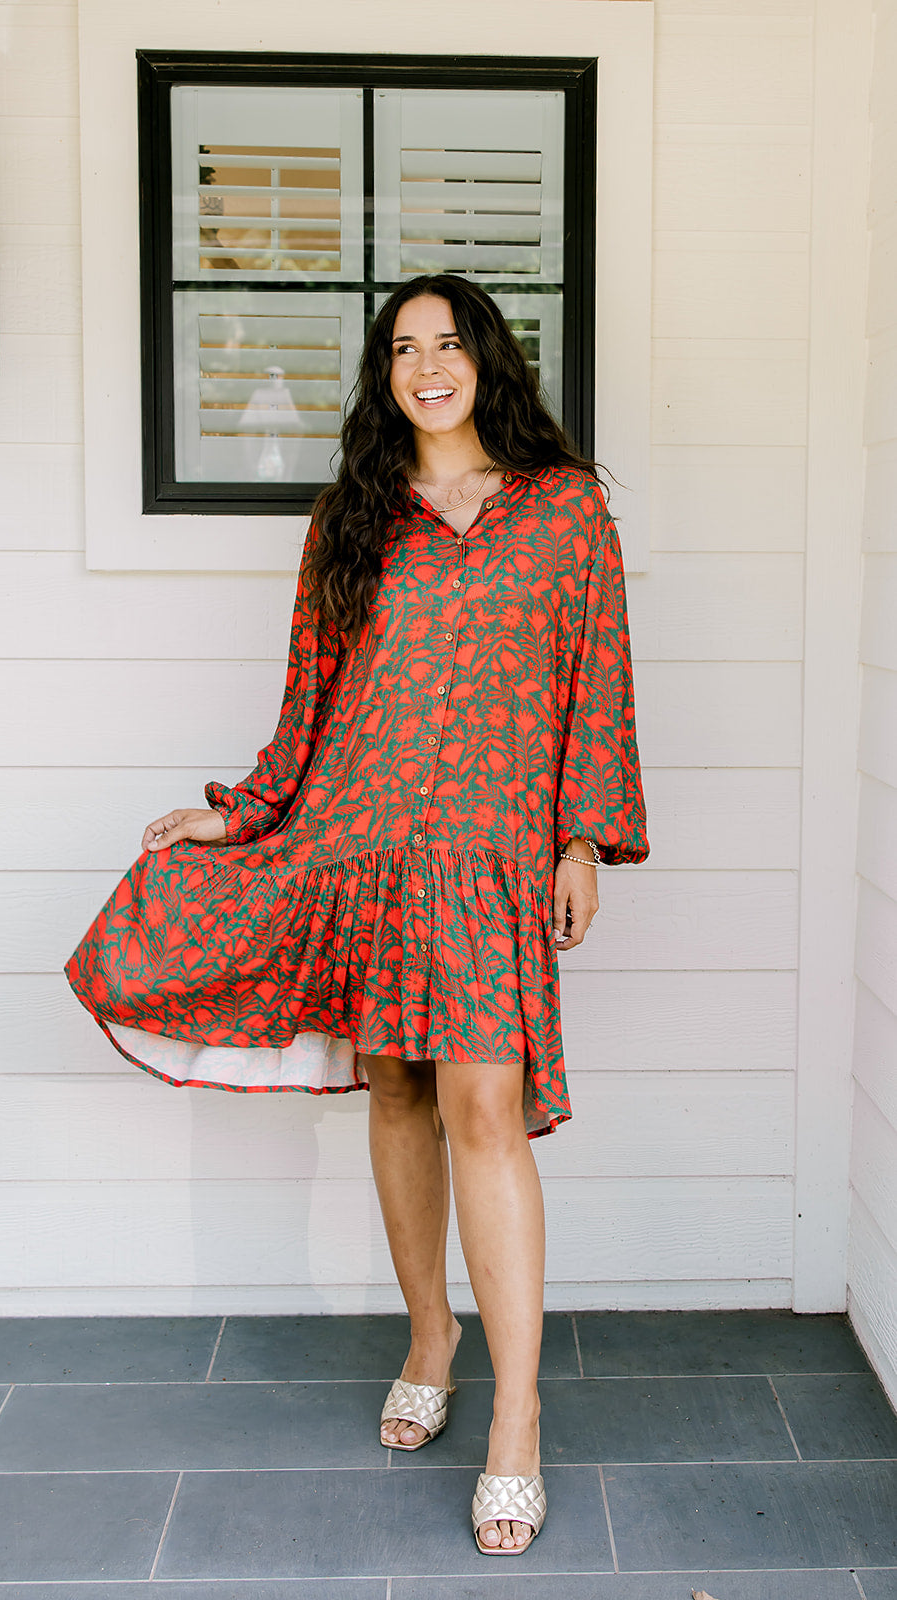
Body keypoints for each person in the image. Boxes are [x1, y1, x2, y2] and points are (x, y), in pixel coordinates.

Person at [65, 273, 648, 1557]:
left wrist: (582, 837)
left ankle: (518, 1421)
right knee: (394, 1089)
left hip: (491, 855)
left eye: (447, 343)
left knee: (482, 1106)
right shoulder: (352, 515)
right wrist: (248, 807)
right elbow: (310, 693)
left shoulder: (564, 511)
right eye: (402, 349)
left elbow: (594, 675)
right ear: (384, 375)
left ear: (487, 361)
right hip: (360, 838)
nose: (425, 365)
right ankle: (427, 1334)